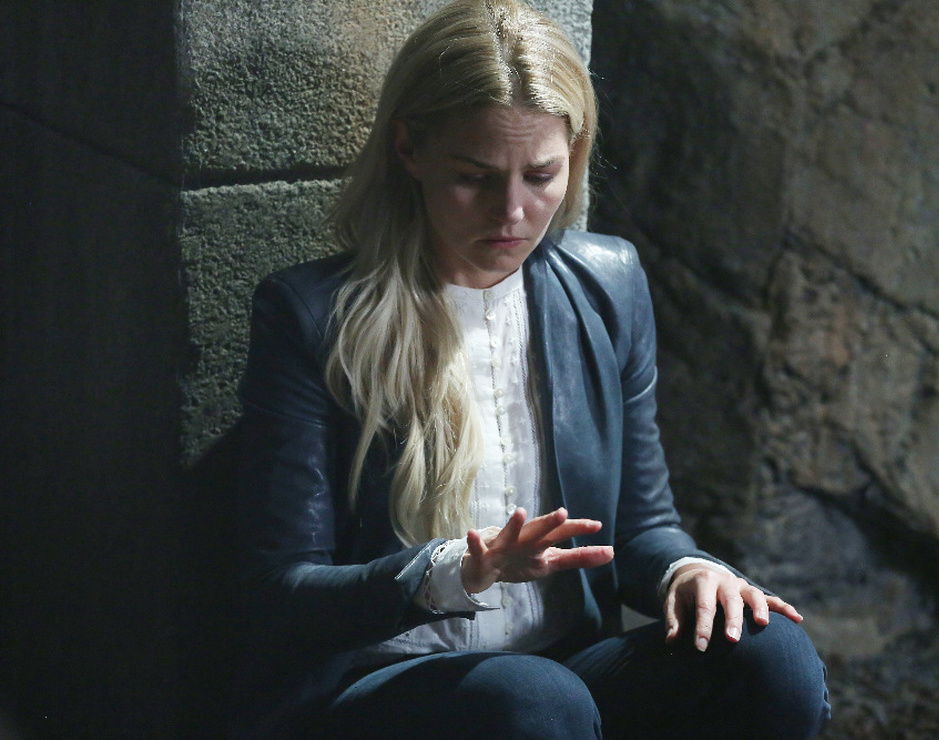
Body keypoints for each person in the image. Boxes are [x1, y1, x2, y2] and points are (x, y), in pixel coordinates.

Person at [231, 1, 830, 738]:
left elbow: (641, 528)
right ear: (408, 149)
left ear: (573, 154)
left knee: (770, 652)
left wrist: (690, 572)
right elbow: (282, 590)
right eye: (474, 177)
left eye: (540, 174)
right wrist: (454, 572)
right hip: (385, 685)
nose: (511, 212)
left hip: (565, 671)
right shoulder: (311, 314)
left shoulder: (607, 284)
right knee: (532, 699)